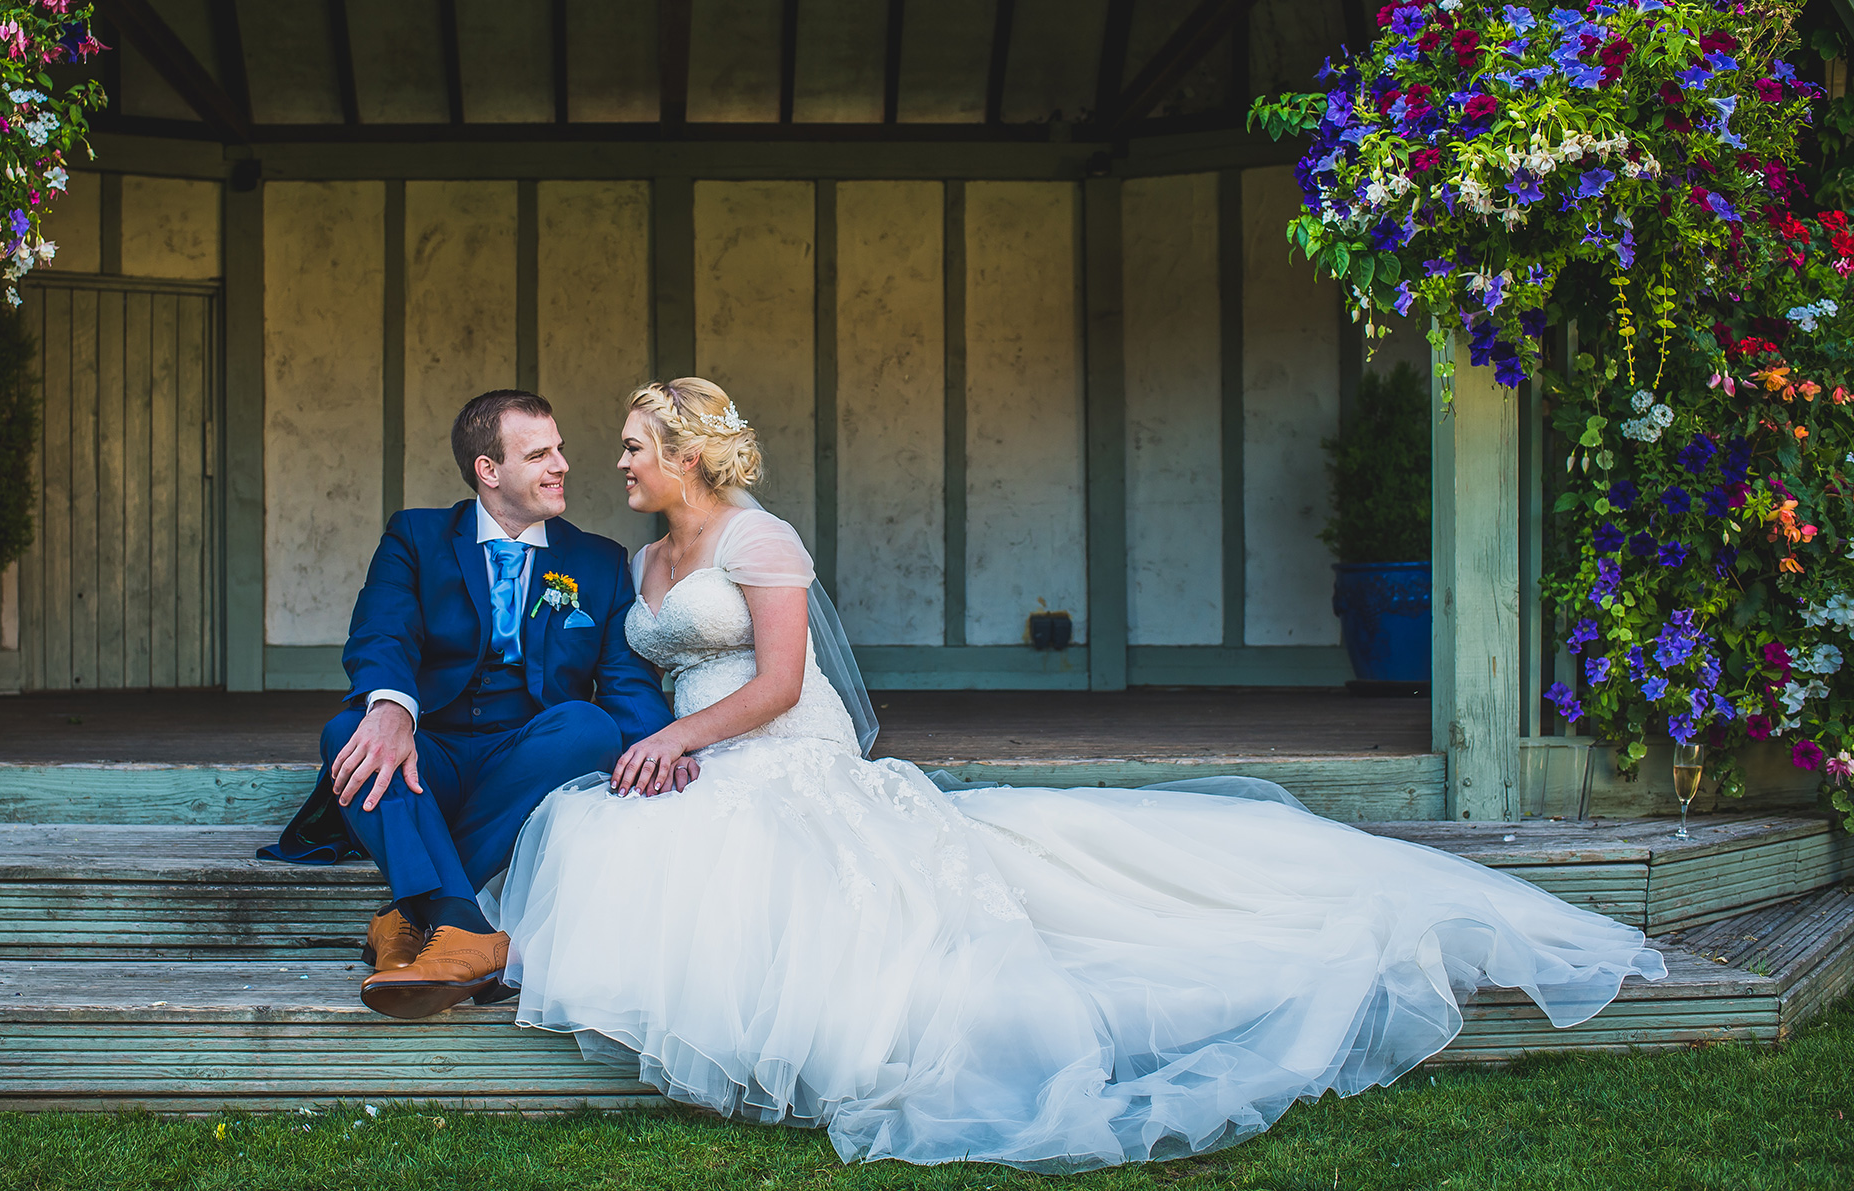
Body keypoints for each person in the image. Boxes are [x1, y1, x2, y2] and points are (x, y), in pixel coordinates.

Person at [484, 377, 1667, 1172]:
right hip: (696, 751)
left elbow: (786, 683)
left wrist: (679, 742)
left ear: (686, 452)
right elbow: (654, 671)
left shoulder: (759, 540)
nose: (617, 462)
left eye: (634, 445)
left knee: (787, 877)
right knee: (606, 839)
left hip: (776, 746)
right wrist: (657, 742)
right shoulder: (645, 556)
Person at [260, 390, 675, 1020]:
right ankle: (464, 927)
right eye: (539, 454)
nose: (561, 464)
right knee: (351, 729)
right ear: (488, 470)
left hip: (525, 760)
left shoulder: (598, 561)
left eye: (558, 448)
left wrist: (657, 747)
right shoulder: (417, 536)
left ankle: (409, 914)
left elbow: (626, 682)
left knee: (589, 725)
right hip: (430, 756)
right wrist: (393, 711)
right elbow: (381, 631)